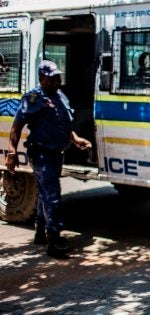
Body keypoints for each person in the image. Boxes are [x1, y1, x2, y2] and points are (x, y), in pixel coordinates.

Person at [5, 60, 92, 259]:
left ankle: (40, 232)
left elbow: (63, 122)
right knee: (52, 195)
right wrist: (11, 154)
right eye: (53, 78)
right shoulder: (34, 98)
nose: (57, 81)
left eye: (58, 77)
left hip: (56, 153)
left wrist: (76, 139)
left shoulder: (60, 96)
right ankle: (55, 240)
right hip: (42, 153)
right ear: (42, 78)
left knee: (46, 193)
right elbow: (16, 126)